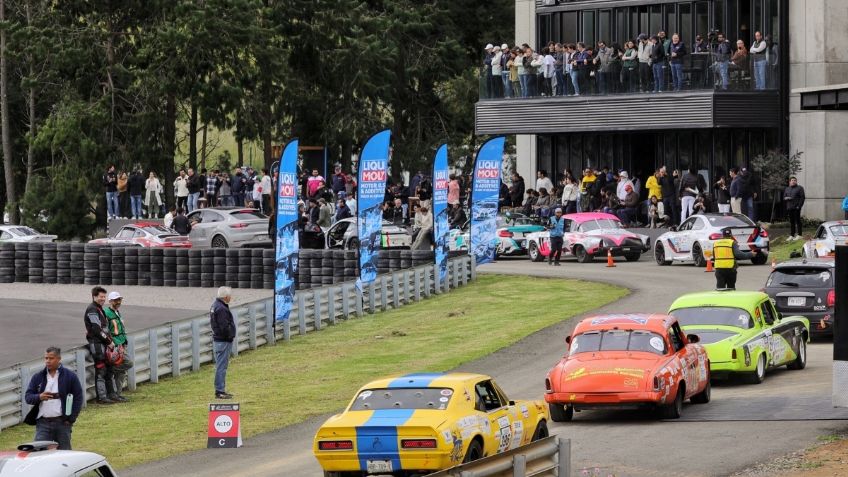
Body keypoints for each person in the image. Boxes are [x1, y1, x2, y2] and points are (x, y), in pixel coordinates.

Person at [24, 347, 83, 450]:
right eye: (46, 358)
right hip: (43, 424)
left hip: (62, 423)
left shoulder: (70, 376)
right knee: (39, 454)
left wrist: (71, 419)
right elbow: (28, 397)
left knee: (64, 454)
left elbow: (78, 398)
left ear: (59, 358)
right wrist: (39, 397)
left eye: (51, 358)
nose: (48, 361)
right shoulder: (38, 377)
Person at [84, 286, 116, 404]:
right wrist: (109, 341)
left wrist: (109, 341)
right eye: (101, 297)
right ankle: (102, 397)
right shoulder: (92, 309)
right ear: (94, 296)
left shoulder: (99, 308)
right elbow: (97, 329)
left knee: (110, 369)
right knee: (101, 370)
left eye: (104, 296)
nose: (103, 299)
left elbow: (103, 328)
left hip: (103, 344)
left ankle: (112, 394)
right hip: (97, 345)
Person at [104, 291, 131, 402]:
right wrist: (111, 343)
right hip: (114, 346)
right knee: (128, 363)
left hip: (122, 343)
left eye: (119, 300)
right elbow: (105, 330)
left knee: (122, 372)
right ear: (110, 301)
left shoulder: (117, 312)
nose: (118, 302)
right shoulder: (106, 312)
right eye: (115, 300)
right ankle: (110, 370)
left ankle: (117, 395)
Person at [210, 286, 235, 400]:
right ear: (226, 297)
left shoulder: (216, 306)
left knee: (221, 366)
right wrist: (230, 335)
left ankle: (221, 390)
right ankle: (220, 391)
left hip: (219, 340)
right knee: (221, 367)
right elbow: (224, 326)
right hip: (223, 341)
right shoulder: (221, 309)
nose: (230, 298)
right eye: (229, 296)